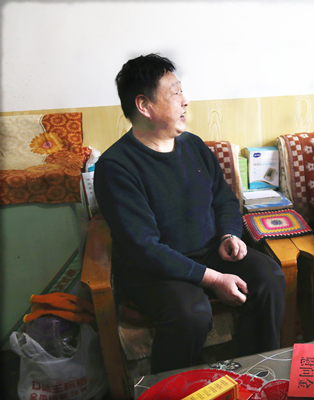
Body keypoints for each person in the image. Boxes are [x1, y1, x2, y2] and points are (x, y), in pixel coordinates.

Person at [94, 54, 285, 374]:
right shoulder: (116, 167)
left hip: (210, 250)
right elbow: (144, 247)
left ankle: (254, 373)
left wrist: (229, 234)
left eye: (181, 91)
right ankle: (169, 387)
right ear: (144, 105)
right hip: (155, 270)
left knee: (269, 277)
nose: (185, 100)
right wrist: (213, 278)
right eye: (175, 92)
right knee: (191, 312)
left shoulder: (193, 146)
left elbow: (224, 199)